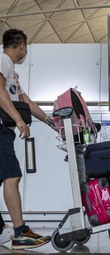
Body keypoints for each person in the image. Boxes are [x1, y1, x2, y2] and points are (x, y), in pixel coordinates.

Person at [0, 28, 53, 249]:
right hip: (0, 129)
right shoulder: (2, 60)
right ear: (22, 45)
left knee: (7, 177)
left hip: (4, 131)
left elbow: (27, 103)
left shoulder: (12, 72)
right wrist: (18, 120)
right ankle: (21, 233)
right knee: (12, 177)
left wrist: (52, 123)